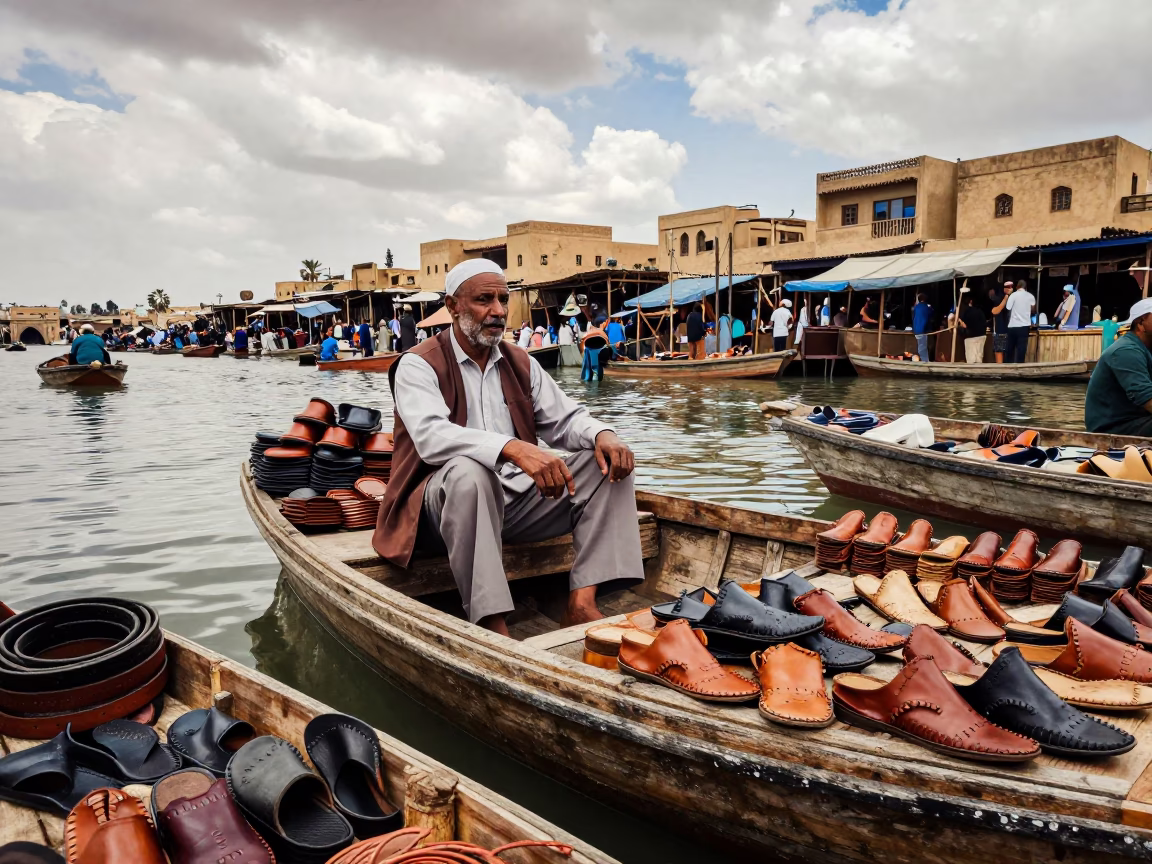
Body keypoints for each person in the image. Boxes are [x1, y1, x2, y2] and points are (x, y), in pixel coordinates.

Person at [376, 258, 642, 635]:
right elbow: (431, 438)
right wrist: (512, 448)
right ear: (452, 306)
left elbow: (566, 420)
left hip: (515, 505)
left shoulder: (519, 362)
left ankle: (582, 603)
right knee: (469, 472)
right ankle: (491, 620)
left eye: (503, 299)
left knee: (604, 465)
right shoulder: (418, 365)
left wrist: (603, 434)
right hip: (437, 511)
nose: (498, 311)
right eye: (485, 299)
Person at [1084, 298, 1152, 436]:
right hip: (1113, 428)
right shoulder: (1126, 351)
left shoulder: (1145, 349)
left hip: (1139, 420)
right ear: (1140, 323)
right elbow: (1146, 398)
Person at [1004, 279, 1036, 363]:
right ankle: (1020, 369)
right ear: (1025, 287)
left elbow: (1008, 308)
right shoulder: (1030, 296)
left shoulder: (1013, 295)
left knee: (1010, 349)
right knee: (1021, 350)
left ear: (1017, 287)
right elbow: (1033, 310)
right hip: (1024, 326)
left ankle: (1008, 368)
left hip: (1013, 326)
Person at [957, 293, 987, 363]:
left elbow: (965, 325)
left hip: (971, 337)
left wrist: (959, 321)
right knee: (979, 358)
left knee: (971, 359)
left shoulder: (967, 311)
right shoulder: (980, 311)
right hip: (982, 336)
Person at [989, 282, 1011, 363]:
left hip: (1000, 332)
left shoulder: (999, 299)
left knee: (999, 353)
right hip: (1006, 331)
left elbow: (995, 311)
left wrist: (1005, 298)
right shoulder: (1002, 299)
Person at [911, 293, 933, 361]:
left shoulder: (915, 307)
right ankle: (925, 362)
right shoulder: (927, 308)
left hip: (916, 330)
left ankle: (922, 360)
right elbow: (931, 316)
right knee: (922, 348)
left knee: (920, 347)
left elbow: (913, 317)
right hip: (922, 330)